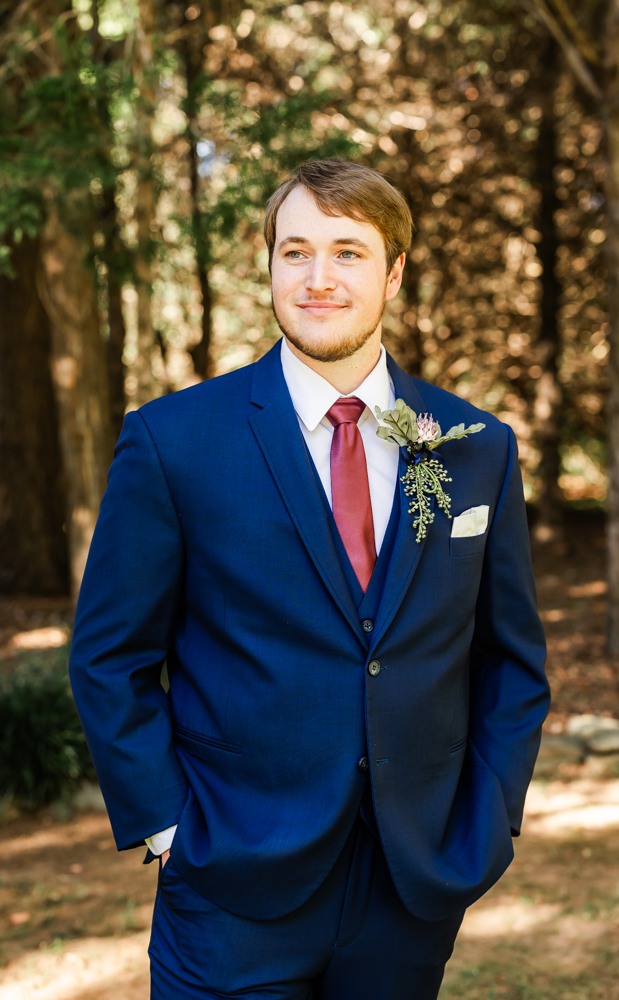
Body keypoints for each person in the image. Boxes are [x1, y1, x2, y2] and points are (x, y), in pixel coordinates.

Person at [69, 158, 549, 1000]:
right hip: (231, 884)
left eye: (347, 252)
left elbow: (509, 660)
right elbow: (110, 657)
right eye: (295, 252)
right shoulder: (171, 441)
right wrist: (166, 826)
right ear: (269, 267)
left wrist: (488, 818)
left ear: (393, 273)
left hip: (412, 885)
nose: (318, 279)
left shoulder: (474, 447)